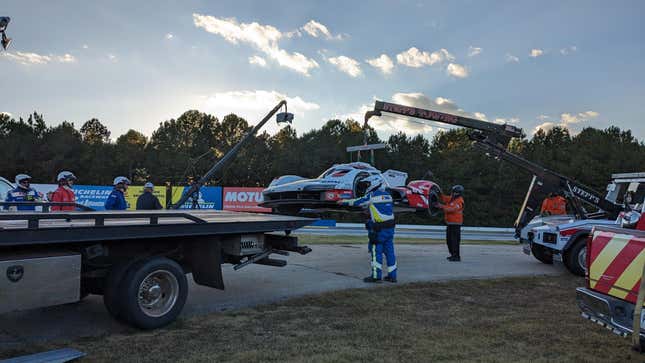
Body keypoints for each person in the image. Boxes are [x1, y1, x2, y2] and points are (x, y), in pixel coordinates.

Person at [338, 175, 397, 283]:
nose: (367, 187)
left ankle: (376, 276)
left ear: (374, 184)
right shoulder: (388, 196)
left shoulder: (372, 196)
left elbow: (357, 202)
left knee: (376, 253)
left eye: (368, 184)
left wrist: (343, 202)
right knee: (390, 253)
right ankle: (392, 276)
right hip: (390, 229)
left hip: (379, 230)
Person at [437, 185, 465, 262]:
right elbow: (444, 198)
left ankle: (456, 256)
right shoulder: (452, 198)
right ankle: (452, 254)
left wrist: (441, 206)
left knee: (454, 241)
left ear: (458, 193)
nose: (452, 193)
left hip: (456, 224)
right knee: (449, 240)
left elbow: (451, 209)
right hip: (450, 224)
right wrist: (440, 192)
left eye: (454, 192)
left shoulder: (459, 201)